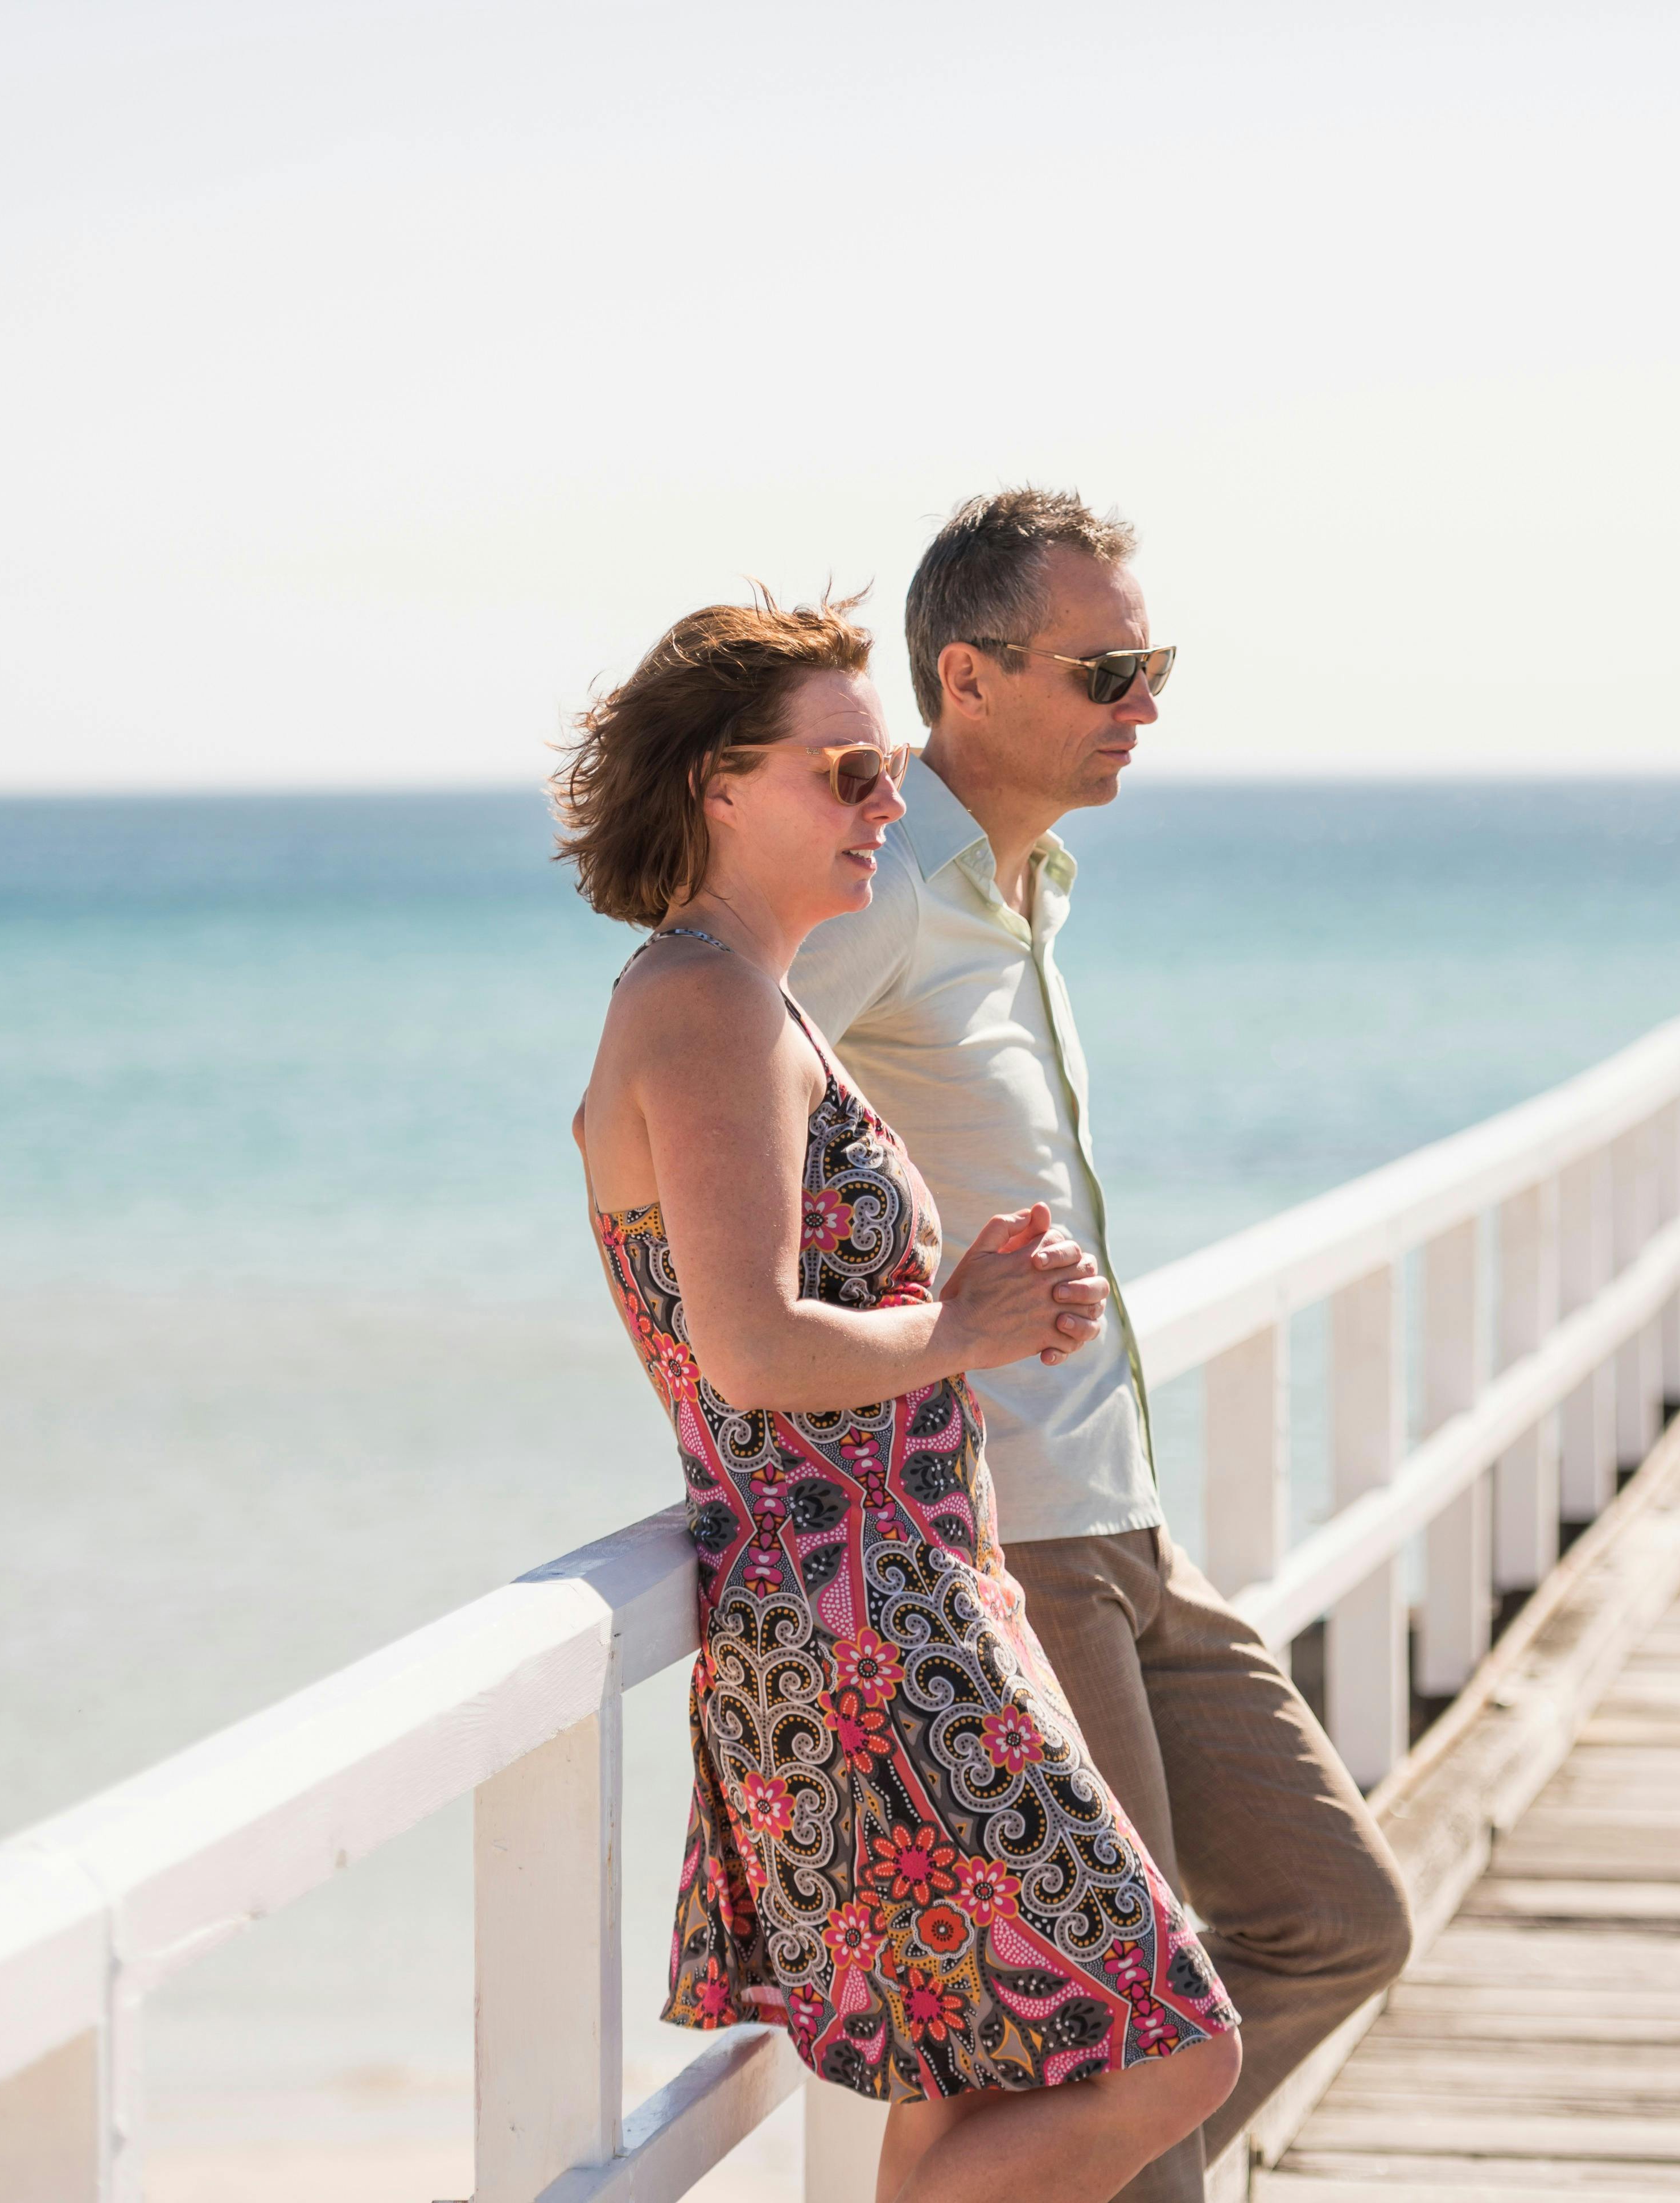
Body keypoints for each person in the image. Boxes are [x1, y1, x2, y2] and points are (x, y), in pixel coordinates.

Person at [557, 592, 1241, 2203]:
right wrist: (969, 1322)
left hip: (898, 1603)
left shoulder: (755, 994)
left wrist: (964, 1329)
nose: (887, 804)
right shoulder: (703, 999)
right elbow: (752, 1349)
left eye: (882, 773)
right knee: (1175, 2043)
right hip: (868, 1635)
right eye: (849, 771)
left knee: (958, 2085)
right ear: (718, 786)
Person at [789, 491, 1413, 2203]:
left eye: (1154, 667)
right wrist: (906, 1352)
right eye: (1108, 669)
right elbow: (698, 1128)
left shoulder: (1023, 885)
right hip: (1014, 1541)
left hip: (1122, 1518)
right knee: (1134, 2054)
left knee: (1335, 1920)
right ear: (965, 678)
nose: (1144, 705)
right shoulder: (888, 882)